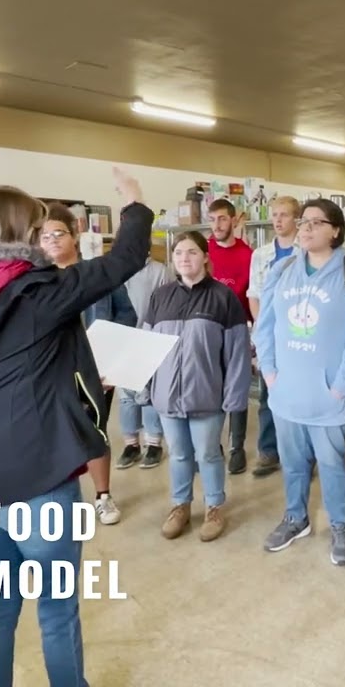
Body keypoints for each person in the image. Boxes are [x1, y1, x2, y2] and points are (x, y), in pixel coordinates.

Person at [0, 169, 153, 686]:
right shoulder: (40, 292)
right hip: (37, 476)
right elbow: (125, 259)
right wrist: (133, 203)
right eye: (39, 229)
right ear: (24, 235)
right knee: (56, 610)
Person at [254, 198, 345, 565]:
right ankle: (296, 518)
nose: (305, 228)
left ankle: (339, 526)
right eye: (302, 222)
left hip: (329, 395)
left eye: (315, 223)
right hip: (286, 391)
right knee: (292, 463)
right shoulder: (283, 270)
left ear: (335, 230)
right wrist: (270, 373)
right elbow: (266, 327)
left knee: (331, 465)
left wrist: (339, 385)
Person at [141, 231, 252, 541]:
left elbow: (237, 351)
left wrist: (235, 396)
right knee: (177, 453)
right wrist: (144, 387)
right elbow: (145, 346)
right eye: (178, 253)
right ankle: (180, 505)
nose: (184, 258)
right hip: (167, 396)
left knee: (208, 454)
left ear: (205, 257)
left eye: (191, 252)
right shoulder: (161, 297)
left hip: (207, 395)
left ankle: (214, 506)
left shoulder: (222, 298)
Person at [39, 203, 132, 526]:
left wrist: (113, 364)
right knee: (54, 433)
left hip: (97, 369)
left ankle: (102, 496)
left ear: (74, 235)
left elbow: (126, 314)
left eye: (59, 233)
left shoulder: (98, 273)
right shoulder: (37, 280)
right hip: (51, 371)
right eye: (44, 235)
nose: (52, 240)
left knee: (95, 431)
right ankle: (62, 500)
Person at [245, 195, 302, 477]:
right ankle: (269, 451)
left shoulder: (306, 252)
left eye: (284, 215)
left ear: (296, 219)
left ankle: (303, 453)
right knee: (269, 394)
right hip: (271, 337)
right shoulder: (261, 255)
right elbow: (254, 295)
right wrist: (266, 329)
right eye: (275, 215)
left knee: (300, 394)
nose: (278, 220)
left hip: (301, 334)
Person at [206, 198, 254, 475]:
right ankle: (214, 444)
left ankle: (238, 446)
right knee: (211, 389)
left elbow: (252, 296)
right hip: (208, 331)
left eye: (222, 219)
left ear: (234, 221)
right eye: (212, 220)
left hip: (238, 331)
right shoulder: (204, 251)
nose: (217, 225)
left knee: (238, 389)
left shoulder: (248, 255)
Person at [115, 254, 172, 470]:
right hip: (121, 338)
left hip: (150, 336)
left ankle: (154, 443)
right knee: (126, 396)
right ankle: (131, 445)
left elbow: (167, 303)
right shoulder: (116, 268)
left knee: (148, 395)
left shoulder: (159, 271)